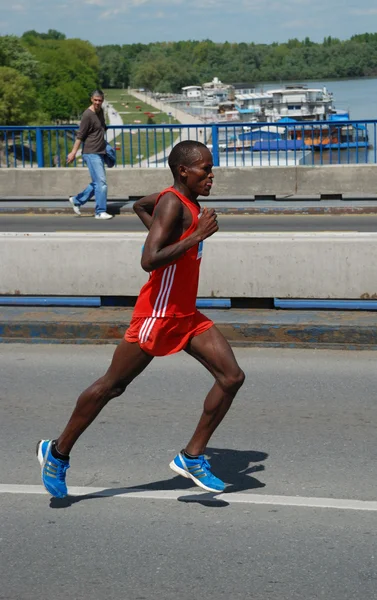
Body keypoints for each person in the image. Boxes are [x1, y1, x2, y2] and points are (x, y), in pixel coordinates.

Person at [37, 140, 245, 498]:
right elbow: (150, 260)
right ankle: (56, 452)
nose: (212, 176)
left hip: (185, 314)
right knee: (112, 386)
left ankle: (192, 457)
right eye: (205, 169)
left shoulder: (180, 201)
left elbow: (138, 205)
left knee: (231, 377)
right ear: (184, 171)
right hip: (158, 314)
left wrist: (179, 233)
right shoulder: (172, 203)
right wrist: (195, 236)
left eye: (211, 169)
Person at [67, 89, 113, 220]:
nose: (98, 102)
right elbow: (80, 135)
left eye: (100, 100)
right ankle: (100, 211)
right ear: (91, 99)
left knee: (97, 183)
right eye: (95, 100)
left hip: (100, 150)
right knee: (102, 183)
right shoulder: (87, 115)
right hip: (91, 152)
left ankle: (76, 200)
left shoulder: (101, 112)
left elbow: (102, 127)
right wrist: (73, 152)